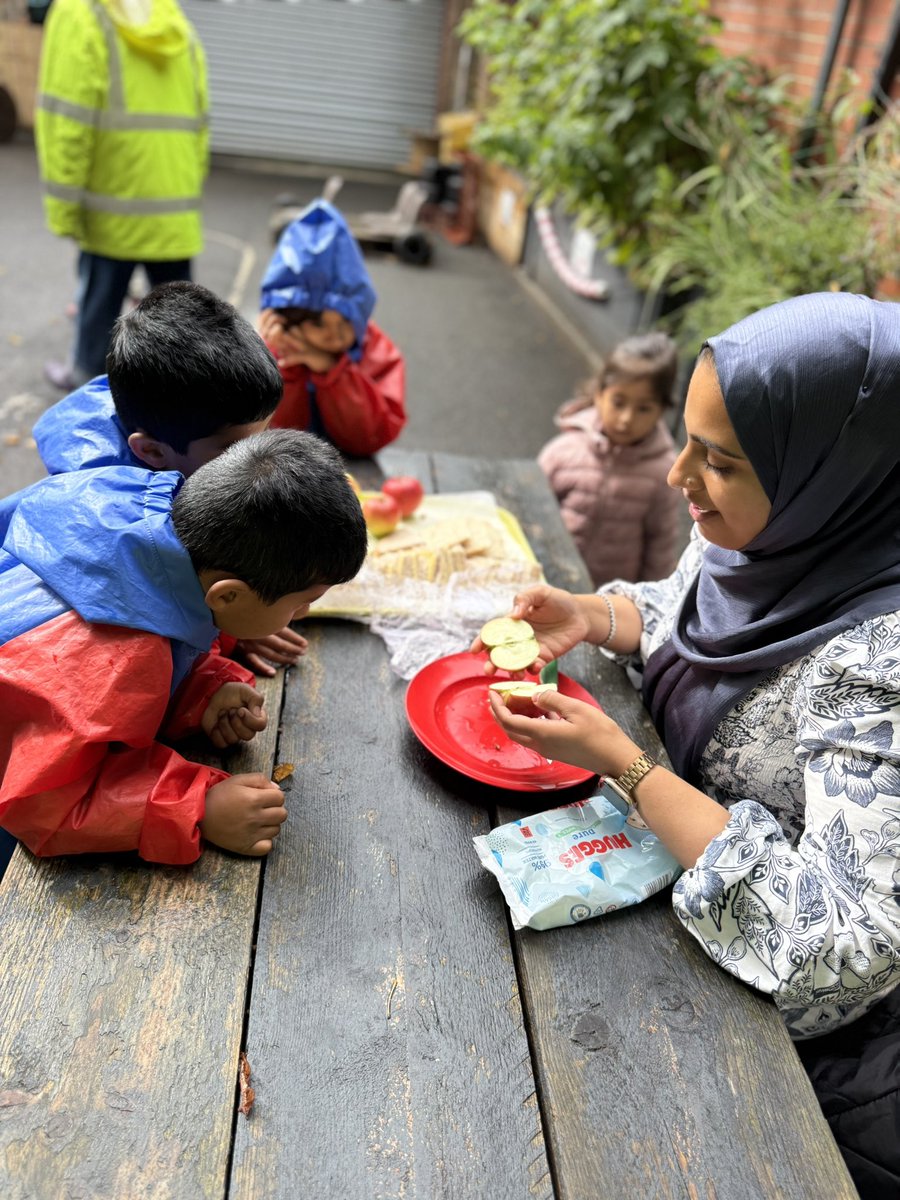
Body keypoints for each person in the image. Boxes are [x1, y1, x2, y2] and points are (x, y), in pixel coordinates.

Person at [474, 293, 900, 1199]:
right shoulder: (783, 538)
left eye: (721, 461)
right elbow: (696, 616)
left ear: (838, 474)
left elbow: (842, 954)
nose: (676, 476)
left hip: (766, 1037)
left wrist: (629, 769)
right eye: (688, 438)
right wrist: (594, 614)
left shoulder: (880, 664)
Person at [0, 429, 368, 869]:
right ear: (228, 596)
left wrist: (199, 689)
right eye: (300, 602)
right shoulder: (122, 657)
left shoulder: (144, 510)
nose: (304, 613)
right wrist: (199, 806)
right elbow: (46, 806)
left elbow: (155, 629)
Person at [0, 281, 308, 678]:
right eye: (233, 449)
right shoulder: (111, 522)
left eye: (264, 433)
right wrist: (229, 630)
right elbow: (140, 619)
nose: (254, 459)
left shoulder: (176, 424)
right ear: (152, 453)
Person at [35, 0, 209, 390]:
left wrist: (64, 208)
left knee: (99, 313)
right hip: (174, 204)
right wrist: (186, 186)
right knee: (182, 327)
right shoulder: (174, 21)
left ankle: (85, 379)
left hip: (112, 202)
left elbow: (69, 120)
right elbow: (201, 118)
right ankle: (183, 401)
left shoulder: (80, 14)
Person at [257, 199, 407, 458]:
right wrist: (283, 367)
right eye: (317, 322)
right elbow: (264, 437)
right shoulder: (270, 350)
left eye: (346, 319)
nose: (335, 333)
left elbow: (370, 438)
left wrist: (333, 371)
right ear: (287, 317)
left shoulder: (377, 351)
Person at [537, 332, 682, 586]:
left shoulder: (664, 474)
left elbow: (660, 546)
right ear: (599, 394)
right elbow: (531, 513)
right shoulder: (562, 451)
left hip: (608, 602)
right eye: (618, 402)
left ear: (662, 410)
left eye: (644, 408)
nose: (626, 418)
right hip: (547, 581)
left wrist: (649, 607)